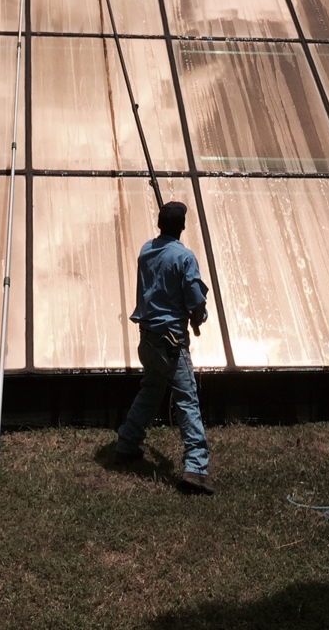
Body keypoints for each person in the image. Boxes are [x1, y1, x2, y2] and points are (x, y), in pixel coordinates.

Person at [115, 200, 216, 495]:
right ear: (182, 226)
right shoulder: (184, 257)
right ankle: (196, 469)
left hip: (147, 339)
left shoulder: (146, 251)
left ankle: (127, 444)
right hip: (171, 343)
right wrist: (199, 315)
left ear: (159, 224)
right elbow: (194, 299)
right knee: (187, 401)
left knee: (151, 391)